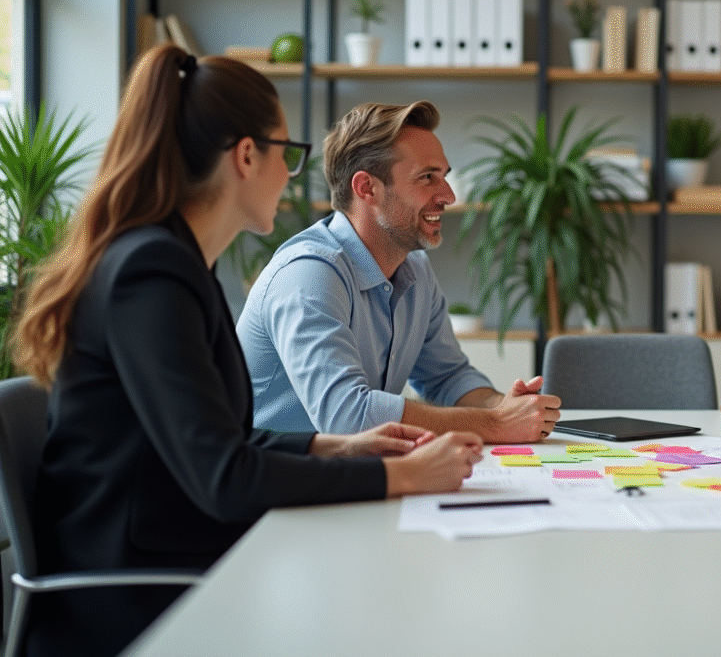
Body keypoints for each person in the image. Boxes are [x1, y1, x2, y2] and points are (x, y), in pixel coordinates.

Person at [12, 46, 484, 657]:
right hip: (138, 598)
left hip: (178, 555)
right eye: (286, 154)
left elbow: (222, 439)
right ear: (244, 156)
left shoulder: (179, 263)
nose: (292, 175)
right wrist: (396, 474)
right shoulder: (151, 273)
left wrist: (337, 445)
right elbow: (224, 478)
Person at [236, 101, 561, 442]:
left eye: (444, 177)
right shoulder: (309, 275)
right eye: (427, 178)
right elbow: (348, 416)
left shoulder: (414, 268)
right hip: (274, 484)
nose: (447, 196)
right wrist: (496, 425)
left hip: (346, 475)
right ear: (367, 188)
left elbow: (446, 378)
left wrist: (502, 407)